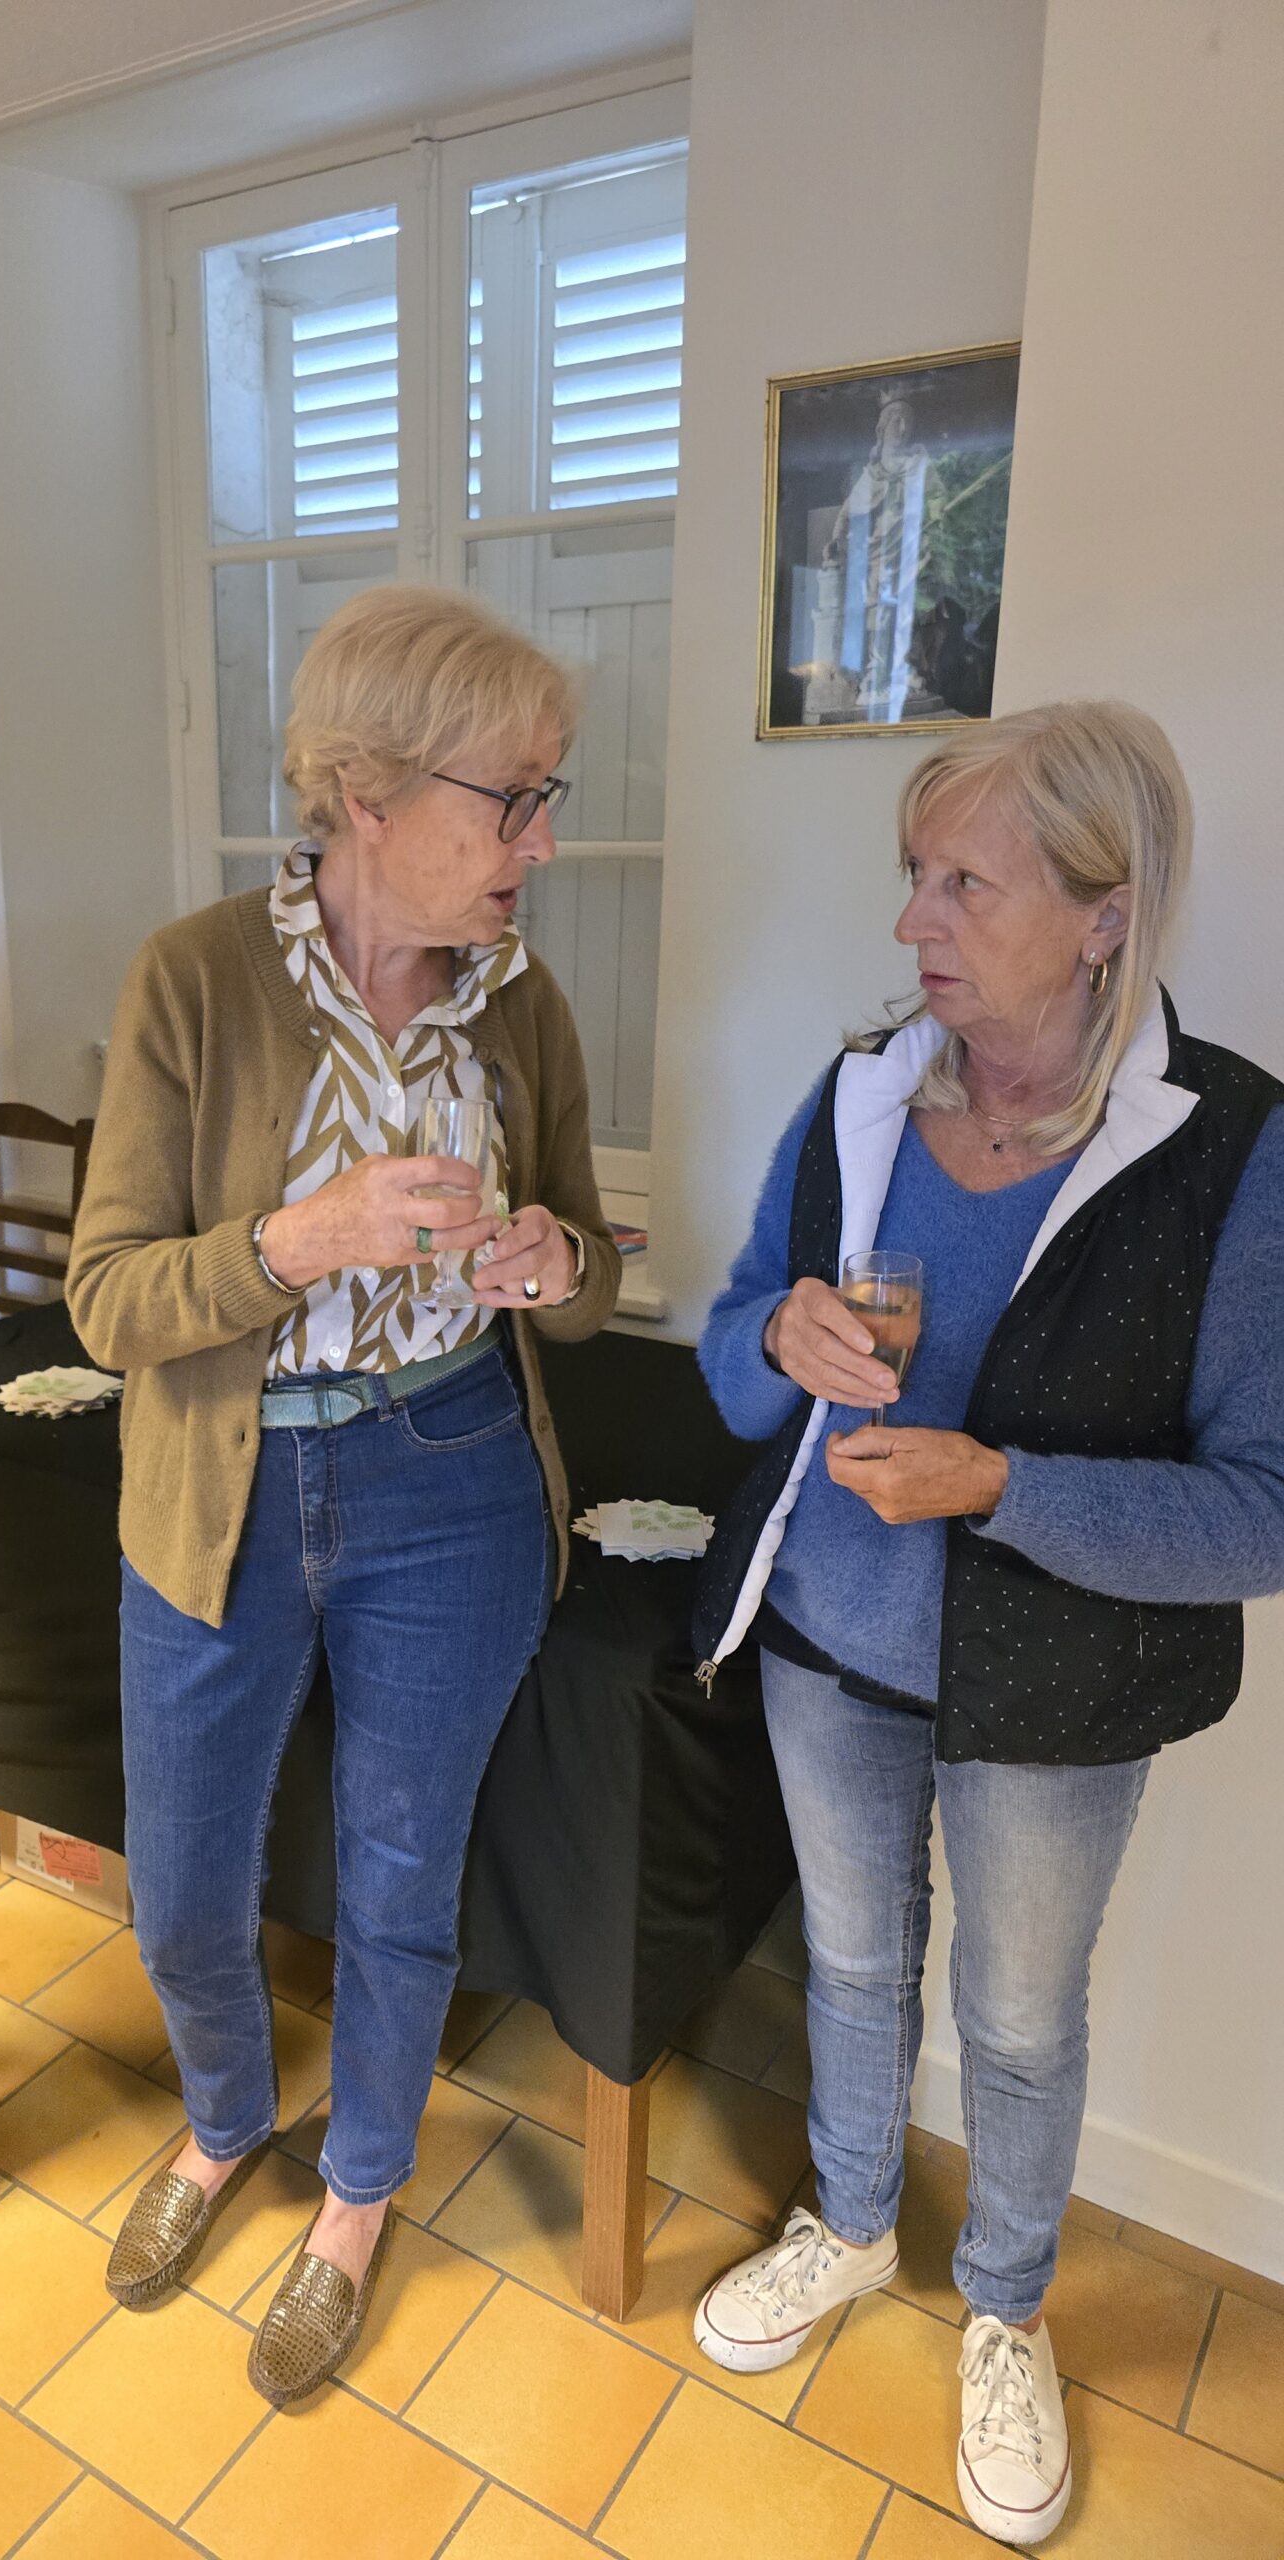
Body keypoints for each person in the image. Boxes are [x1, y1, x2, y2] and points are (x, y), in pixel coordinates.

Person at [689, 701, 1284, 2546]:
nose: (912, 922)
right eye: (914, 876)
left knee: (1018, 2025)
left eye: (965, 883)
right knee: (851, 1968)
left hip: (1058, 1687)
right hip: (829, 1640)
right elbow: (730, 1354)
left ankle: (1007, 2310)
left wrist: (1001, 1487)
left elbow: (1261, 1511)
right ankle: (856, 2222)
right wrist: (775, 1334)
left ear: (1105, 915)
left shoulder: (1230, 1147)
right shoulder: (864, 1091)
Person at [68, 584, 620, 2405]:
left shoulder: (521, 1007)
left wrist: (556, 1260)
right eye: (512, 799)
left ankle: (359, 2194)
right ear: (367, 793)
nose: (541, 841)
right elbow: (108, 1301)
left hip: (451, 1478)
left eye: (546, 798)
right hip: (222, 1490)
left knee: (399, 1879)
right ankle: (226, 2125)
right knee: (182, 1885)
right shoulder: (193, 977)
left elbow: (591, 1265)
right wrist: (298, 1239)